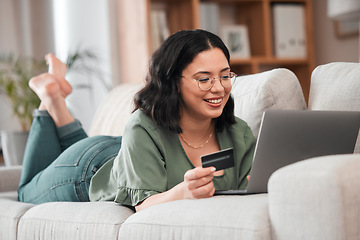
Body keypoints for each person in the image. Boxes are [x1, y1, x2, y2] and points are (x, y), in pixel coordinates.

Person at [18, 29, 256, 212]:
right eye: (204, 79)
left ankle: (55, 96)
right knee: (25, 191)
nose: (219, 88)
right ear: (173, 81)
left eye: (225, 76)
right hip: (90, 168)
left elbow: (250, 187)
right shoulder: (143, 125)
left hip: (129, 152)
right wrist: (184, 192)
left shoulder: (239, 132)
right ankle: (48, 98)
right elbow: (143, 205)